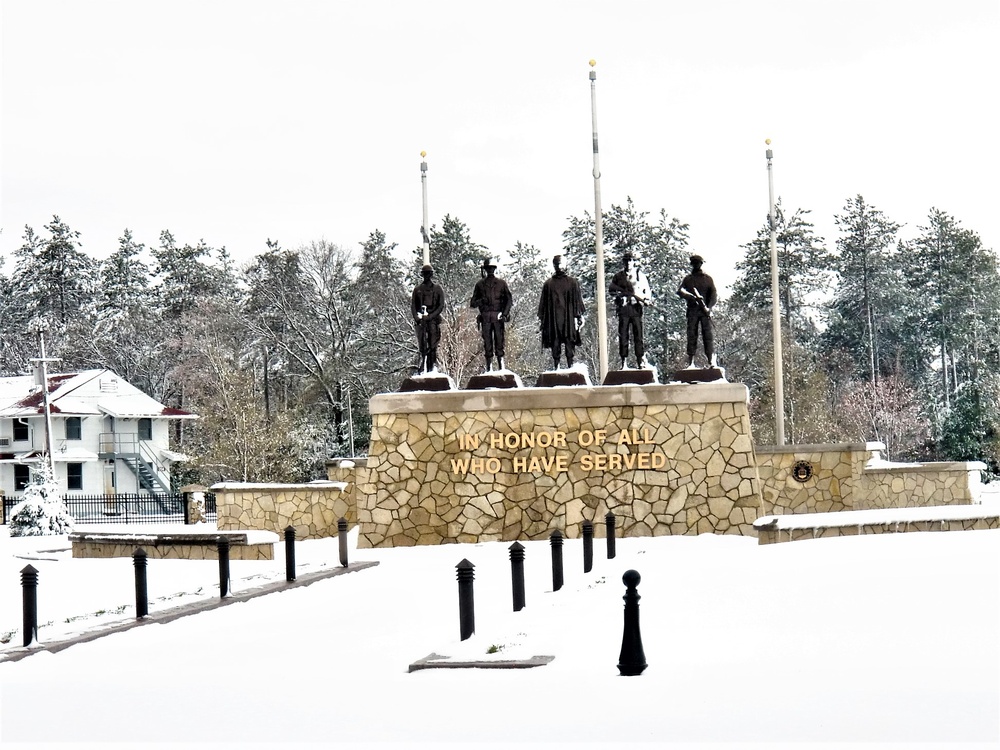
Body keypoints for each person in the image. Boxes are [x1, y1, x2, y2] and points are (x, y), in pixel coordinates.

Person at [538, 255, 585, 369]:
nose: (559, 266)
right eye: (557, 264)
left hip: (568, 318)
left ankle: (569, 366)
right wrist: (542, 321)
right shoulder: (548, 284)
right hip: (555, 319)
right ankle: (557, 366)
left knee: (568, 341)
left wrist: (579, 316)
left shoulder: (572, 283)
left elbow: (577, 301)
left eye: (560, 264)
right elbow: (543, 305)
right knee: (556, 341)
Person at [469, 256, 513, 372]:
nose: (490, 270)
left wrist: (505, 314)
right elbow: (472, 303)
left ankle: (501, 365)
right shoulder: (480, 284)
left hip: (498, 317)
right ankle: (489, 368)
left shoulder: (501, 283)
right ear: (485, 269)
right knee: (487, 343)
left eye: (492, 268)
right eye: (488, 268)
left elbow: (509, 299)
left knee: (500, 341)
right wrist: (481, 300)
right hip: (485, 317)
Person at [609, 251, 652, 368]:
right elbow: (611, 290)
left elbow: (647, 290)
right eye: (626, 261)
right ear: (623, 263)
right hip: (623, 309)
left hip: (636, 308)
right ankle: (624, 362)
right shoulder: (618, 276)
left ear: (633, 262)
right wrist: (620, 294)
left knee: (638, 336)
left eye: (630, 261)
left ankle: (640, 360)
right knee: (623, 336)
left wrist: (646, 299)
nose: (628, 263)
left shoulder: (640, 275)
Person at [676, 254, 717, 367]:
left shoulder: (708, 279)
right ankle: (691, 361)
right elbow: (680, 291)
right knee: (692, 336)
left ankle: (710, 360)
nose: (696, 265)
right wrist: (691, 297)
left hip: (704, 312)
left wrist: (708, 307)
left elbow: (713, 295)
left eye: (698, 263)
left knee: (707, 337)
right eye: (694, 263)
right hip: (692, 311)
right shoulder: (688, 279)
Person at [411, 264, 445, 373]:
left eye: (428, 274)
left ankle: (432, 366)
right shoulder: (417, 290)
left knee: (433, 345)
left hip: (433, 320)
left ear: (431, 275)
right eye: (424, 274)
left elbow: (440, 305)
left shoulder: (437, 289)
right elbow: (413, 306)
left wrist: (431, 316)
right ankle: (424, 365)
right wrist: (417, 318)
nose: (426, 276)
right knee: (423, 345)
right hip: (422, 322)